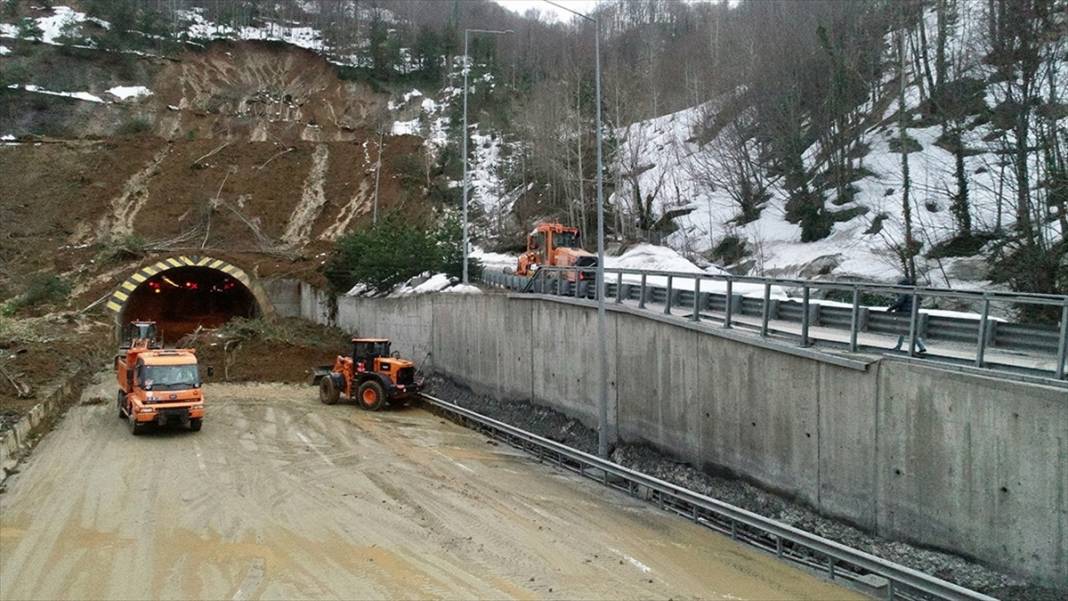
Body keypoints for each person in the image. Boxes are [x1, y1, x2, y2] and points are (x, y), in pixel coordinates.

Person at [888, 277, 927, 353]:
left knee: (905, 330)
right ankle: (921, 347)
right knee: (908, 330)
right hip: (912, 313)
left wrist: (891, 308)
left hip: (905, 314)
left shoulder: (904, 291)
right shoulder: (913, 291)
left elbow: (900, 302)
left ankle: (900, 346)